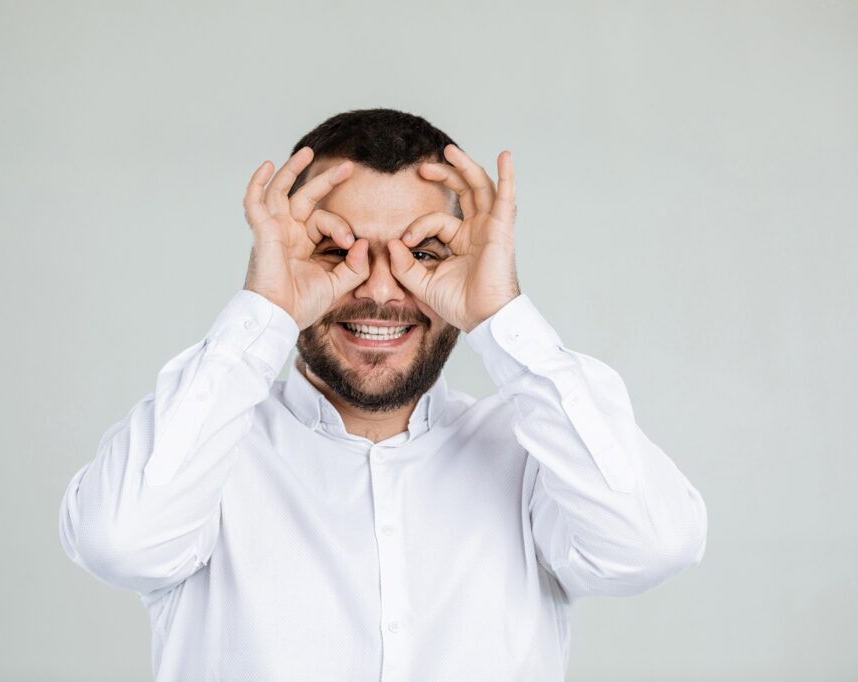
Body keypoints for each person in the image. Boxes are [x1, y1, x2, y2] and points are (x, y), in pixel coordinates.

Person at [58, 108, 707, 681]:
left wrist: (501, 315)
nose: (380, 289)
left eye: (422, 252)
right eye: (334, 248)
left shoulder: (533, 454)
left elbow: (653, 543)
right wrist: (266, 307)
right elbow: (118, 540)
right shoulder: (209, 451)